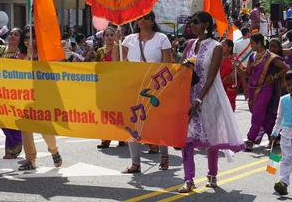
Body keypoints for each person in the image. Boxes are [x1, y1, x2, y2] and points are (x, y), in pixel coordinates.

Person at [177, 11, 245, 192]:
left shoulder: (216, 47)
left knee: (211, 137)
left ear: (206, 25)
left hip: (208, 97)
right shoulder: (190, 44)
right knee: (187, 138)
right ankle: (188, 179)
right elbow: (180, 67)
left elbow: (212, 77)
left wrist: (198, 100)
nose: (192, 25)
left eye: (196, 22)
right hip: (188, 95)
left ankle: (212, 174)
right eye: (191, 22)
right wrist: (184, 66)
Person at [112, 11, 171, 173]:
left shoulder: (162, 39)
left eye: (145, 18)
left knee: (158, 124)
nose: (142, 20)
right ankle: (135, 163)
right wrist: (117, 43)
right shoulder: (128, 40)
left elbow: (167, 65)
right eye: (140, 17)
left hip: (155, 88)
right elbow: (116, 62)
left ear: (152, 21)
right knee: (133, 123)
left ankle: (164, 156)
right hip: (133, 87)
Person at [18, 26, 63, 171]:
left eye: (32, 37)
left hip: (44, 95)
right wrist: (27, 57)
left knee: (44, 126)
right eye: (25, 38)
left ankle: (53, 150)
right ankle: (30, 159)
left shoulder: (46, 54)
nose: (28, 41)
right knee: (25, 127)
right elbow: (18, 74)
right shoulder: (21, 55)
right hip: (26, 96)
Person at [244, 34, 289, 151]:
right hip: (253, 89)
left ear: (259, 43)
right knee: (260, 114)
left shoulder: (270, 57)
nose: (251, 46)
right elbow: (247, 73)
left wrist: (274, 77)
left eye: (252, 43)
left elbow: (285, 68)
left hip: (265, 89)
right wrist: (237, 67)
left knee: (257, 113)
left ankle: (250, 139)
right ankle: (275, 137)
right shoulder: (252, 57)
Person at [0, 27, 24, 159]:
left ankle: (13, 148)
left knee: (14, 120)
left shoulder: (22, 53)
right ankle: (12, 147)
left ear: (21, 39)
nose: (12, 36)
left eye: (16, 34)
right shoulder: (1, 50)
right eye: (11, 34)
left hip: (17, 92)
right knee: (2, 119)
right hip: (0, 92)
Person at [95, 26, 126, 149]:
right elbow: (95, 67)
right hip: (104, 86)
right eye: (107, 35)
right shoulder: (100, 52)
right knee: (105, 114)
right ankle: (105, 140)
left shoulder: (119, 50)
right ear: (103, 38)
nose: (109, 37)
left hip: (118, 85)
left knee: (118, 112)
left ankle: (122, 137)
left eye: (111, 35)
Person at [220, 39, 247, 112]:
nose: (221, 47)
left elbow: (242, 73)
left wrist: (245, 88)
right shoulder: (217, 59)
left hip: (230, 90)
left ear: (230, 48)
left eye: (223, 46)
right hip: (219, 88)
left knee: (229, 110)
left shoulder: (234, 60)